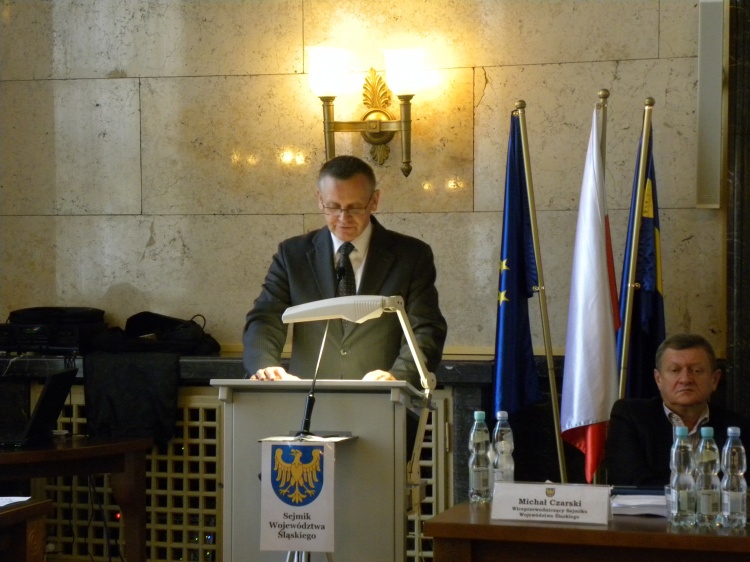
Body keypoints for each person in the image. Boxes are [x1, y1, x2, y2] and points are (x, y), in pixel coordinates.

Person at [242, 155, 447, 390]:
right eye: (333, 206)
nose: (343, 218)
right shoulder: (292, 254)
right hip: (307, 398)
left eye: (355, 207)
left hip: (384, 399)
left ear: (374, 201)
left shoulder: (411, 256)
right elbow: (265, 318)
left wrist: (398, 376)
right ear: (320, 200)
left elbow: (425, 329)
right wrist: (265, 366)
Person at [606, 333, 750, 486]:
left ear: (714, 380)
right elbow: (629, 481)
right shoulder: (631, 417)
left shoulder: (738, 428)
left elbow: (741, 485)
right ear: (658, 379)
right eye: (675, 370)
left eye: (696, 370)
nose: (685, 379)